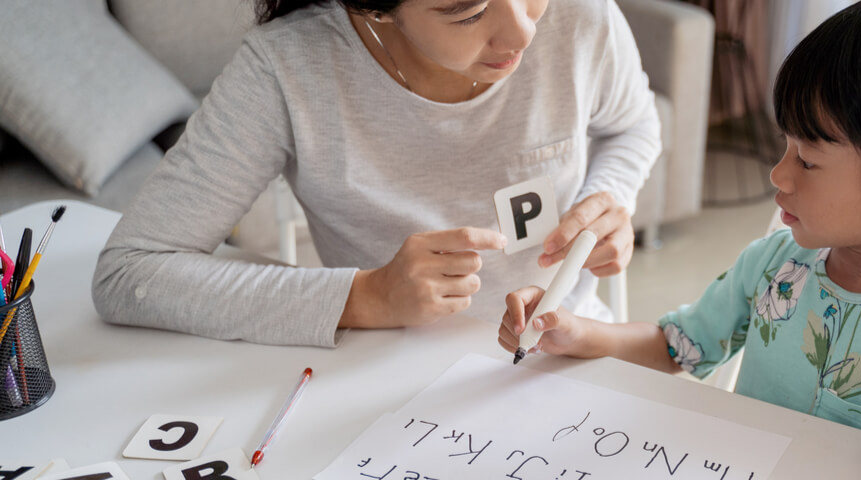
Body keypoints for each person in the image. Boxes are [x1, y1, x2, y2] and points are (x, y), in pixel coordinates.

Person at [497, 0, 861, 475]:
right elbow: (677, 344)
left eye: (809, 160)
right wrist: (577, 334)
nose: (779, 174)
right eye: (786, 147)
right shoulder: (781, 265)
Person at [92, 0, 661, 347]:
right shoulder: (287, 68)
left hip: (569, 348)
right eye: (467, 11)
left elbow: (633, 125)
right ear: (375, 7)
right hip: (384, 373)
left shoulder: (581, 14)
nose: (523, 34)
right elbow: (130, 274)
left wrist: (608, 197)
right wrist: (366, 298)